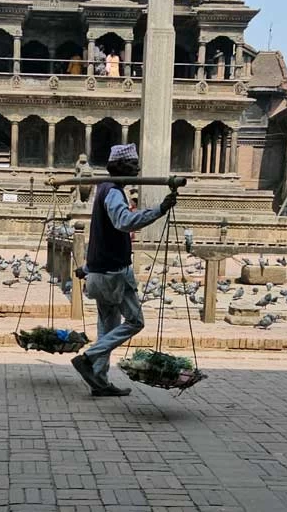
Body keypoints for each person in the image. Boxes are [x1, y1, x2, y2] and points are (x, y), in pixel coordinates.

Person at [71, 143, 177, 398]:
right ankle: (90, 357)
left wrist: (86, 267)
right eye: (133, 165)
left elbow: (101, 235)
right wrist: (160, 210)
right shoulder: (114, 192)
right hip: (113, 275)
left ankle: (99, 381)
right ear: (120, 167)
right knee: (135, 321)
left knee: (107, 329)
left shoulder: (103, 190)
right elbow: (124, 222)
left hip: (98, 272)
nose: (138, 168)